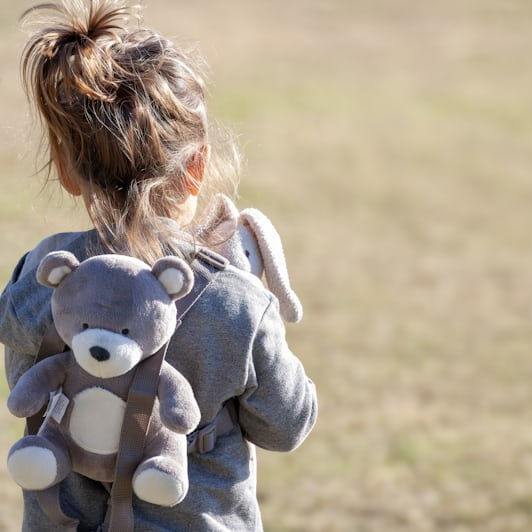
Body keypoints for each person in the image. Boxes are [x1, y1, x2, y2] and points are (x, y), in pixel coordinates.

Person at [0, 1, 318, 530]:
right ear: (196, 166)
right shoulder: (236, 300)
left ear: (67, 169)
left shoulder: (43, 275)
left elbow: (23, 388)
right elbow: (287, 426)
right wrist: (252, 301)